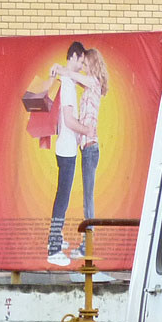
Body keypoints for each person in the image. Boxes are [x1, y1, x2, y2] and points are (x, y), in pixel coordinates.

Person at [52, 47, 107, 256]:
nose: (83, 68)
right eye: (81, 64)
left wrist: (60, 69)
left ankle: (87, 244)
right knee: (86, 197)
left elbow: (72, 76)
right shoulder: (89, 85)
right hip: (86, 147)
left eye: (85, 64)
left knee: (88, 198)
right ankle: (85, 243)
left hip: (90, 148)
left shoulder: (93, 82)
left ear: (92, 64)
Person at [44, 41, 92, 266]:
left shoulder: (66, 80)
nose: (82, 66)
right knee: (62, 199)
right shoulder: (68, 85)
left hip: (63, 146)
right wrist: (87, 130)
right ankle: (53, 247)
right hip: (67, 148)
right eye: (81, 61)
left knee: (61, 196)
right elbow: (70, 121)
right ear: (73, 56)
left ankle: (57, 237)